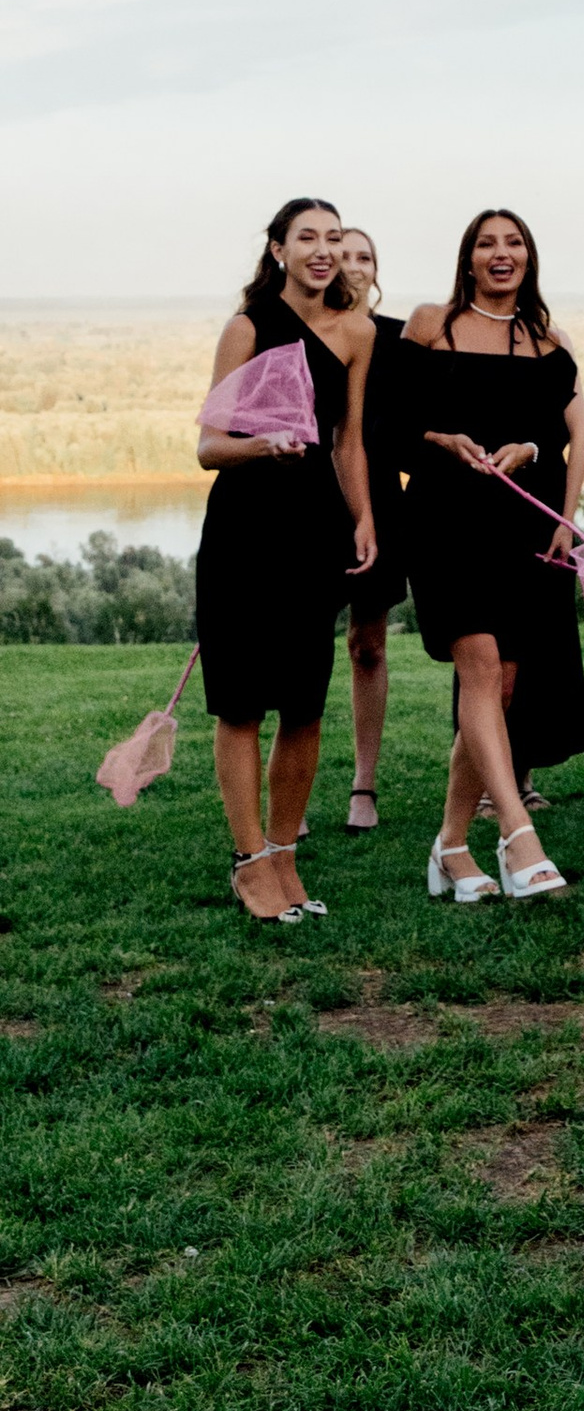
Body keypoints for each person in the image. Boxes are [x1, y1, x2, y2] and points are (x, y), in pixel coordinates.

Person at [195, 196, 377, 925]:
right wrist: (260, 444)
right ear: (278, 250)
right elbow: (208, 445)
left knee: (303, 707)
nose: (323, 249)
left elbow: (348, 439)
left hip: (314, 534)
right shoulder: (248, 327)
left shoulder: (358, 332)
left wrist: (363, 518)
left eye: (334, 237)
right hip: (244, 532)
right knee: (240, 704)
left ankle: (285, 856)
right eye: (307, 237)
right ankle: (249, 862)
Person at [397, 210, 584, 904]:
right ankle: (517, 837)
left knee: (501, 686)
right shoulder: (430, 324)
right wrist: (441, 438)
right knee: (477, 665)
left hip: (519, 524)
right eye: (487, 244)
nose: (500, 254)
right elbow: (388, 423)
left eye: (513, 244)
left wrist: (531, 451)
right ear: (468, 259)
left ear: (528, 259)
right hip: (445, 517)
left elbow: (559, 432)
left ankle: (450, 847)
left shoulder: (546, 342)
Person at [331, 224, 402, 832]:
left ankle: (364, 786)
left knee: (367, 644)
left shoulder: (396, 339)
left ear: (377, 270)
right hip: (305, 495)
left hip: (378, 497)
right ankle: (287, 783)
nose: (352, 265)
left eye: (365, 256)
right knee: (291, 641)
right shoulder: (304, 332)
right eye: (342, 254)